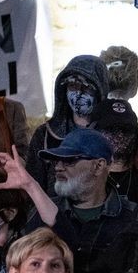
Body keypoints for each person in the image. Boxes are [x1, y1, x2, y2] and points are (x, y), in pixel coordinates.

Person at [12, 128, 138, 273]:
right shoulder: (40, 211)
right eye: (56, 161)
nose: (58, 167)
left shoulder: (131, 218)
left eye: (69, 160)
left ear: (98, 166)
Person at [26, 54, 109, 189]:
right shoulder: (45, 135)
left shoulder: (111, 133)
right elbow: (33, 186)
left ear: (100, 91)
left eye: (86, 87)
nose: (79, 94)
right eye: (73, 86)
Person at [88, 98, 138, 203]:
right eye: (111, 129)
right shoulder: (81, 180)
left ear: (136, 135)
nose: (119, 136)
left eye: (126, 130)